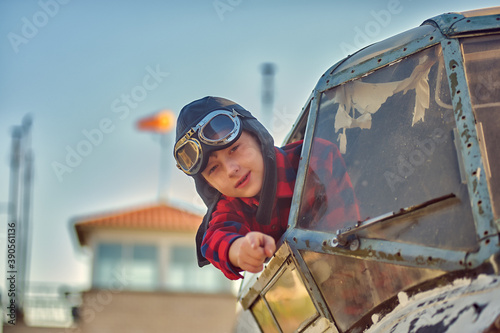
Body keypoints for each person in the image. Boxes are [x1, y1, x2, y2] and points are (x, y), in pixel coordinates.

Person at [173, 96, 358, 280]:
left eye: (234, 148)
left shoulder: (317, 159)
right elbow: (215, 237)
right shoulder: (229, 206)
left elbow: (347, 231)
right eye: (213, 169)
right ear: (207, 184)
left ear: (257, 136)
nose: (231, 170)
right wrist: (239, 249)